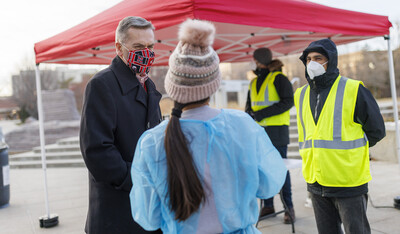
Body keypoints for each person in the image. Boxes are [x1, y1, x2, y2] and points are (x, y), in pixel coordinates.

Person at [129, 19, 288, 233]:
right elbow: (269, 183)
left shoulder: (153, 141)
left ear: (173, 86)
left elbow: (149, 217)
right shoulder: (241, 126)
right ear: (213, 84)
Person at [80, 16, 162, 234]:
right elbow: (97, 152)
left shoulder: (149, 86)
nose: (146, 52)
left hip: (148, 211)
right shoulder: (101, 85)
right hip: (116, 215)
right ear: (119, 48)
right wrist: (140, 179)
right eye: (138, 46)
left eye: (150, 46)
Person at [295, 38, 386, 234]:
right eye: (308, 59)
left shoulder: (353, 89)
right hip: (316, 181)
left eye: (318, 58)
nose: (312, 63)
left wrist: (352, 154)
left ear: (331, 60)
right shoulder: (300, 94)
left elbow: (376, 130)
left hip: (348, 181)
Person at [245, 48, 295, 224]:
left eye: (256, 60)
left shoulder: (279, 78)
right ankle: (268, 206)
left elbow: (289, 101)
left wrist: (261, 114)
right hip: (259, 133)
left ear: (261, 61)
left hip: (277, 131)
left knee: (281, 168)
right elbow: (249, 108)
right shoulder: (253, 83)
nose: (254, 63)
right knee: (263, 169)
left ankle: (289, 208)